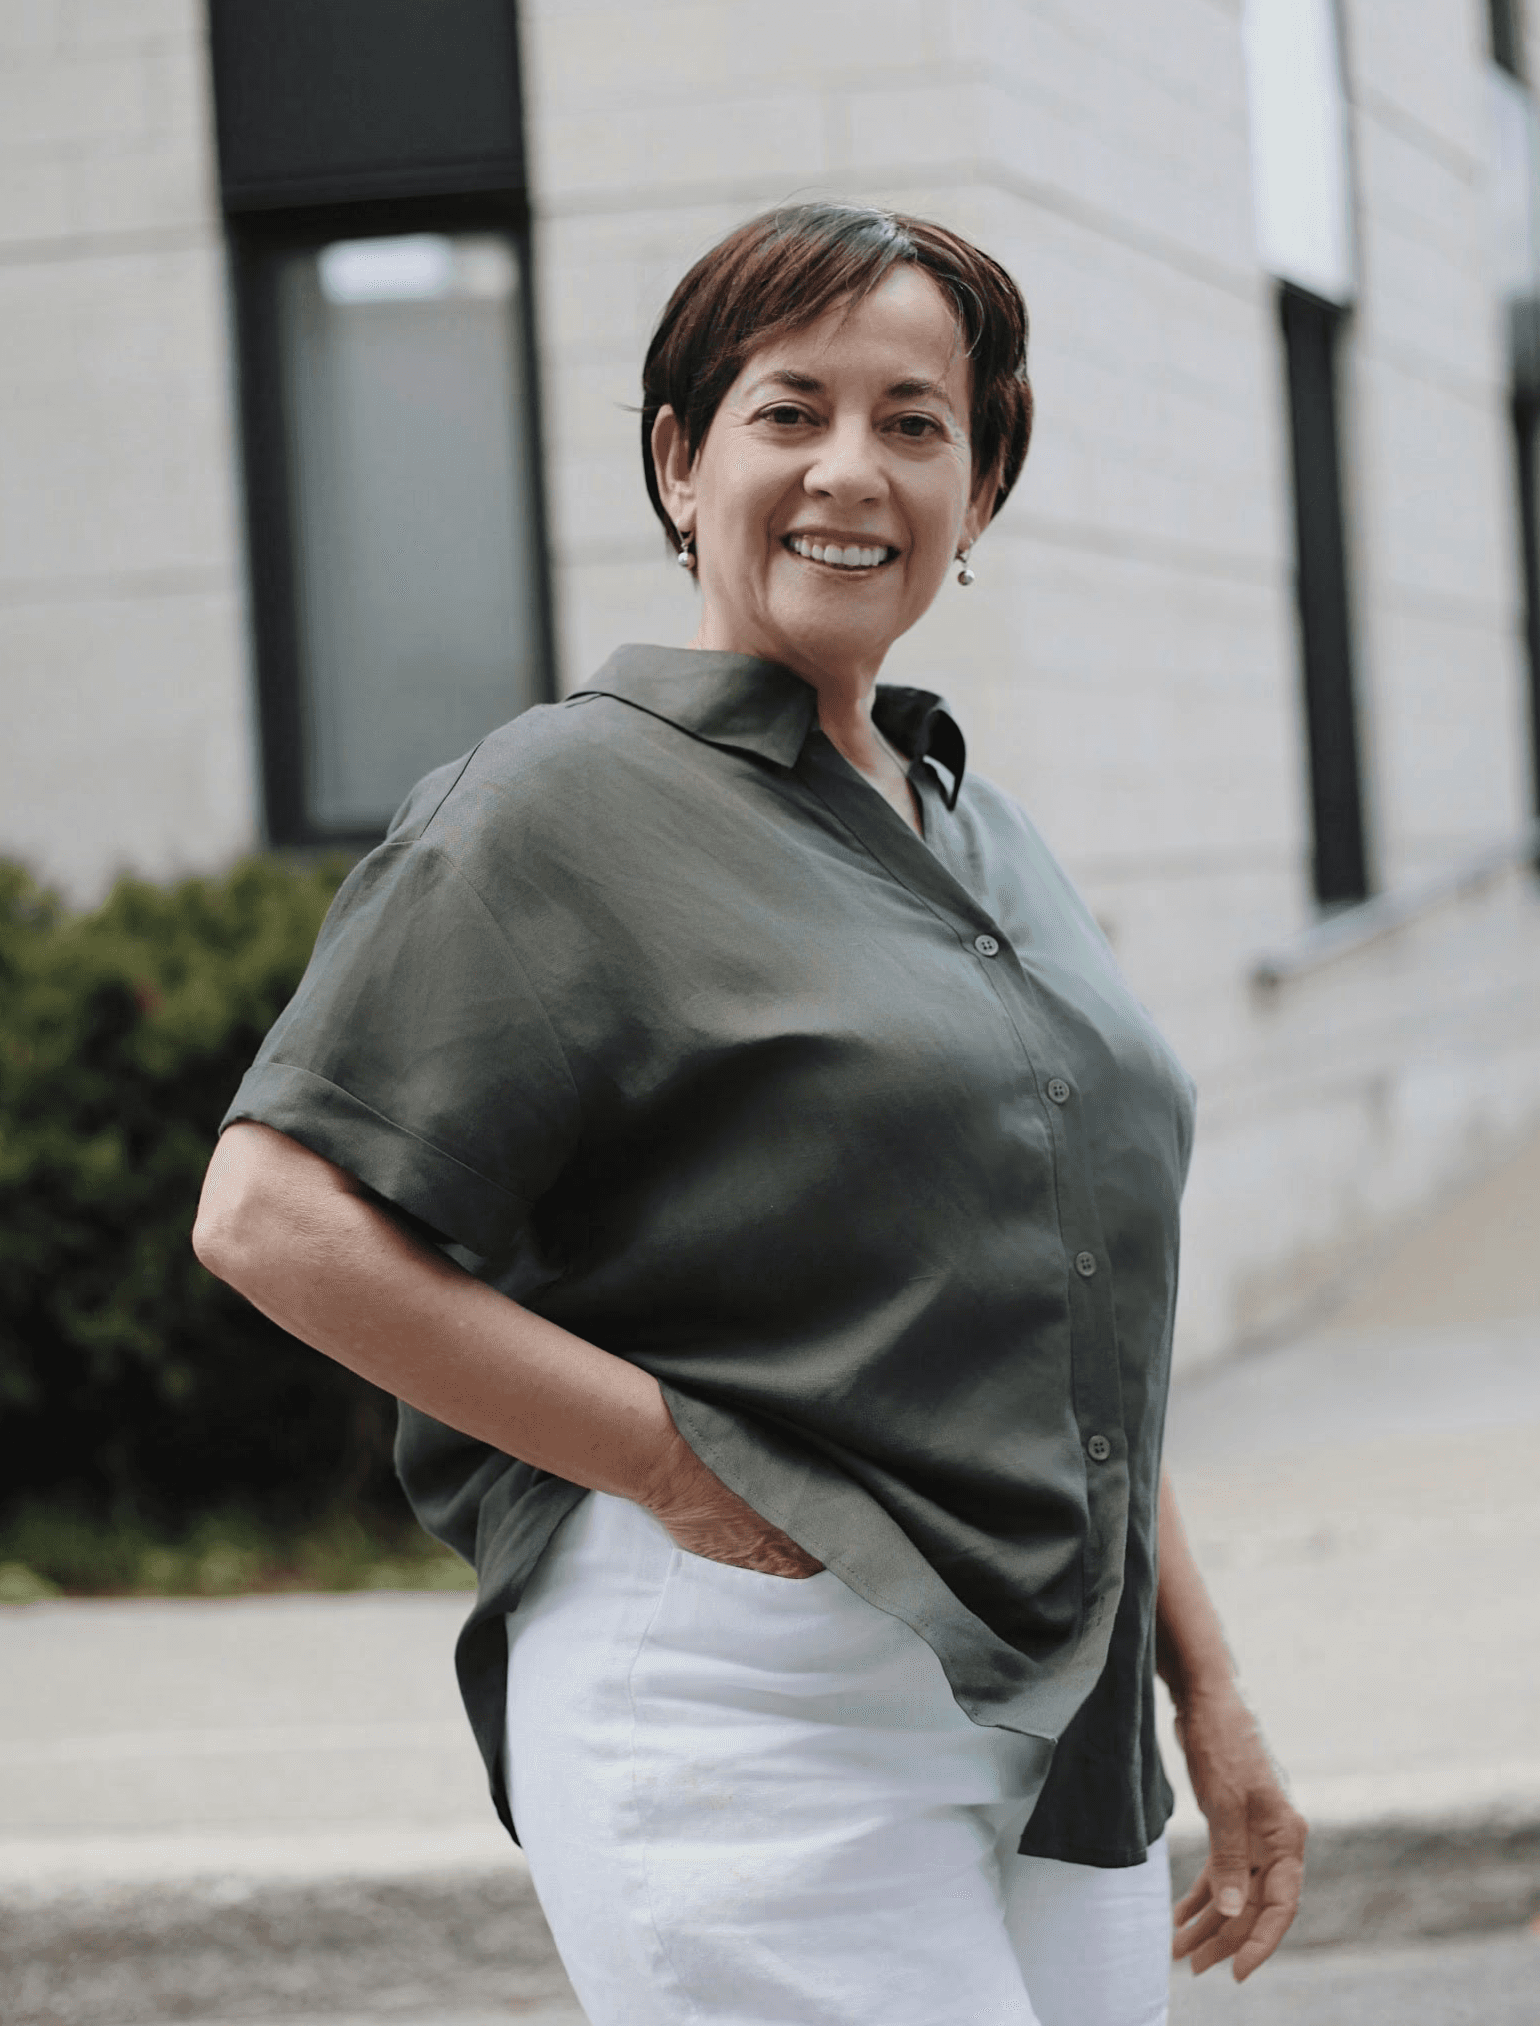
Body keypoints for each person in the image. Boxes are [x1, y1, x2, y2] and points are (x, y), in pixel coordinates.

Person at [194, 202, 1306, 2026]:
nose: (850, 471)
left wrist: (1213, 1687)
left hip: (1058, 1717)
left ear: (984, 479)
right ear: (679, 460)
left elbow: (1080, 1306)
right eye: (790, 411)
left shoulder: (977, 829)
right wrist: (668, 1461)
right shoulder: (556, 805)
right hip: (743, 1702)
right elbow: (271, 1215)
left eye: (916, 420)